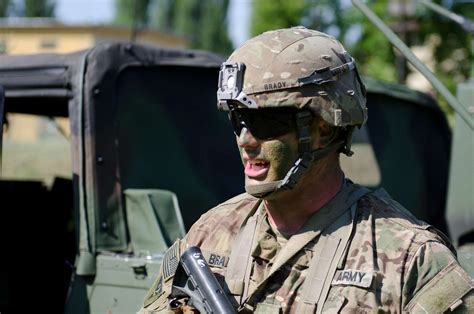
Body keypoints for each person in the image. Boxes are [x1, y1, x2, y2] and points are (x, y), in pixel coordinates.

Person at [139, 26, 473, 313]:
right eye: (238, 120)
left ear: (324, 128)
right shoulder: (210, 234)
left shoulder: (412, 260)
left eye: (266, 122)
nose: (246, 140)